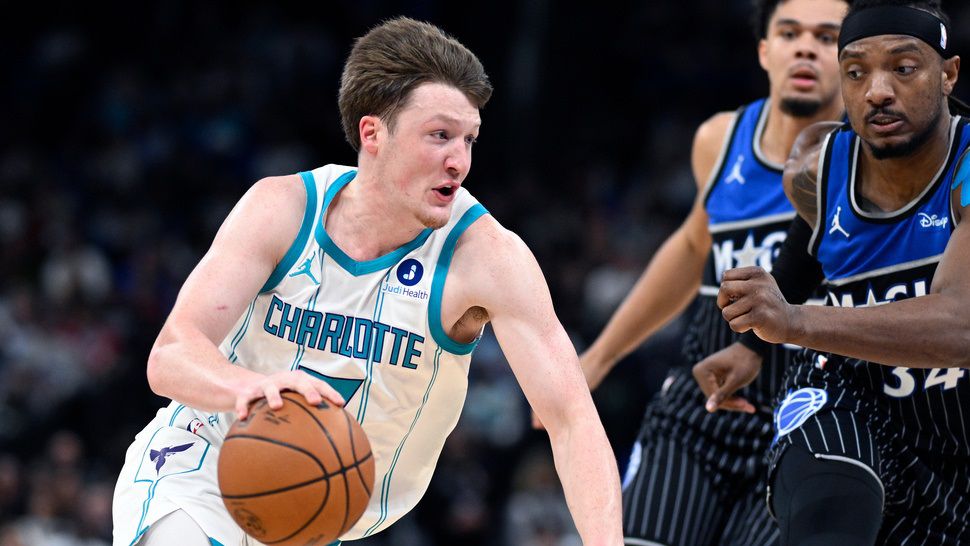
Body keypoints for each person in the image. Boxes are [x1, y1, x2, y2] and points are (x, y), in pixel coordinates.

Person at [111, 17, 623, 546]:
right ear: (373, 133)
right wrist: (252, 388)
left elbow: (572, 422)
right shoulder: (282, 209)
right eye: (440, 136)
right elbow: (171, 354)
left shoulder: (487, 258)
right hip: (203, 463)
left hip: (325, 514)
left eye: (469, 139)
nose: (460, 161)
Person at [556, 0, 847, 544]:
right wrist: (597, 357)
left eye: (826, 36)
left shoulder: (870, 160)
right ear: (765, 50)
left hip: (809, 413)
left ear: (854, 59)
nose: (805, 46)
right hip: (702, 403)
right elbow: (692, 248)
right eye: (789, 32)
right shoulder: (720, 138)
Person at [696, 1, 970, 543]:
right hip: (846, 398)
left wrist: (793, 323)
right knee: (831, 515)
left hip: (954, 440)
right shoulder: (815, 167)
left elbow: (960, 328)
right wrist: (752, 346)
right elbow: (804, 251)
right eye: (856, 71)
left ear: (948, 74)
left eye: (904, 68)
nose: (878, 91)